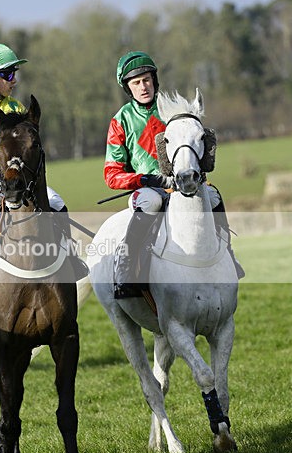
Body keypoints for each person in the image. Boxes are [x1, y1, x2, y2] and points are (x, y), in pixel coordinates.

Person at [0, 42, 87, 299]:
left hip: (19, 185)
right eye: (9, 74)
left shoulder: (15, 109)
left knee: (57, 202)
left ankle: (70, 255)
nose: (14, 80)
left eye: (14, 73)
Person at [104, 50, 244, 298]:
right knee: (152, 201)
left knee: (213, 196)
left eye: (146, 79)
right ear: (128, 88)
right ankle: (126, 271)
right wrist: (145, 179)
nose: (143, 86)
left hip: (182, 184)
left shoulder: (171, 111)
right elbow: (112, 175)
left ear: (154, 80)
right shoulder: (120, 120)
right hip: (145, 190)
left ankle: (228, 257)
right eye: (136, 83)